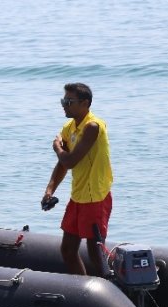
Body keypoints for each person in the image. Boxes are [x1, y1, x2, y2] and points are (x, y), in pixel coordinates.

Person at [41, 83, 113, 275]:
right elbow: (63, 163)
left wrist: (56, 147)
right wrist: (49, 191)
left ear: (85, 103)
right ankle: (84, 290)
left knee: (95, 253)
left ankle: (113, 292)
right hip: (77, 197)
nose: (64, 105)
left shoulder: (92, 127)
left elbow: (70, 160)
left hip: (95, 198)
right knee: (67, 250)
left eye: (69, 101)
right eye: (63, 100)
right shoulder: (69, 127)